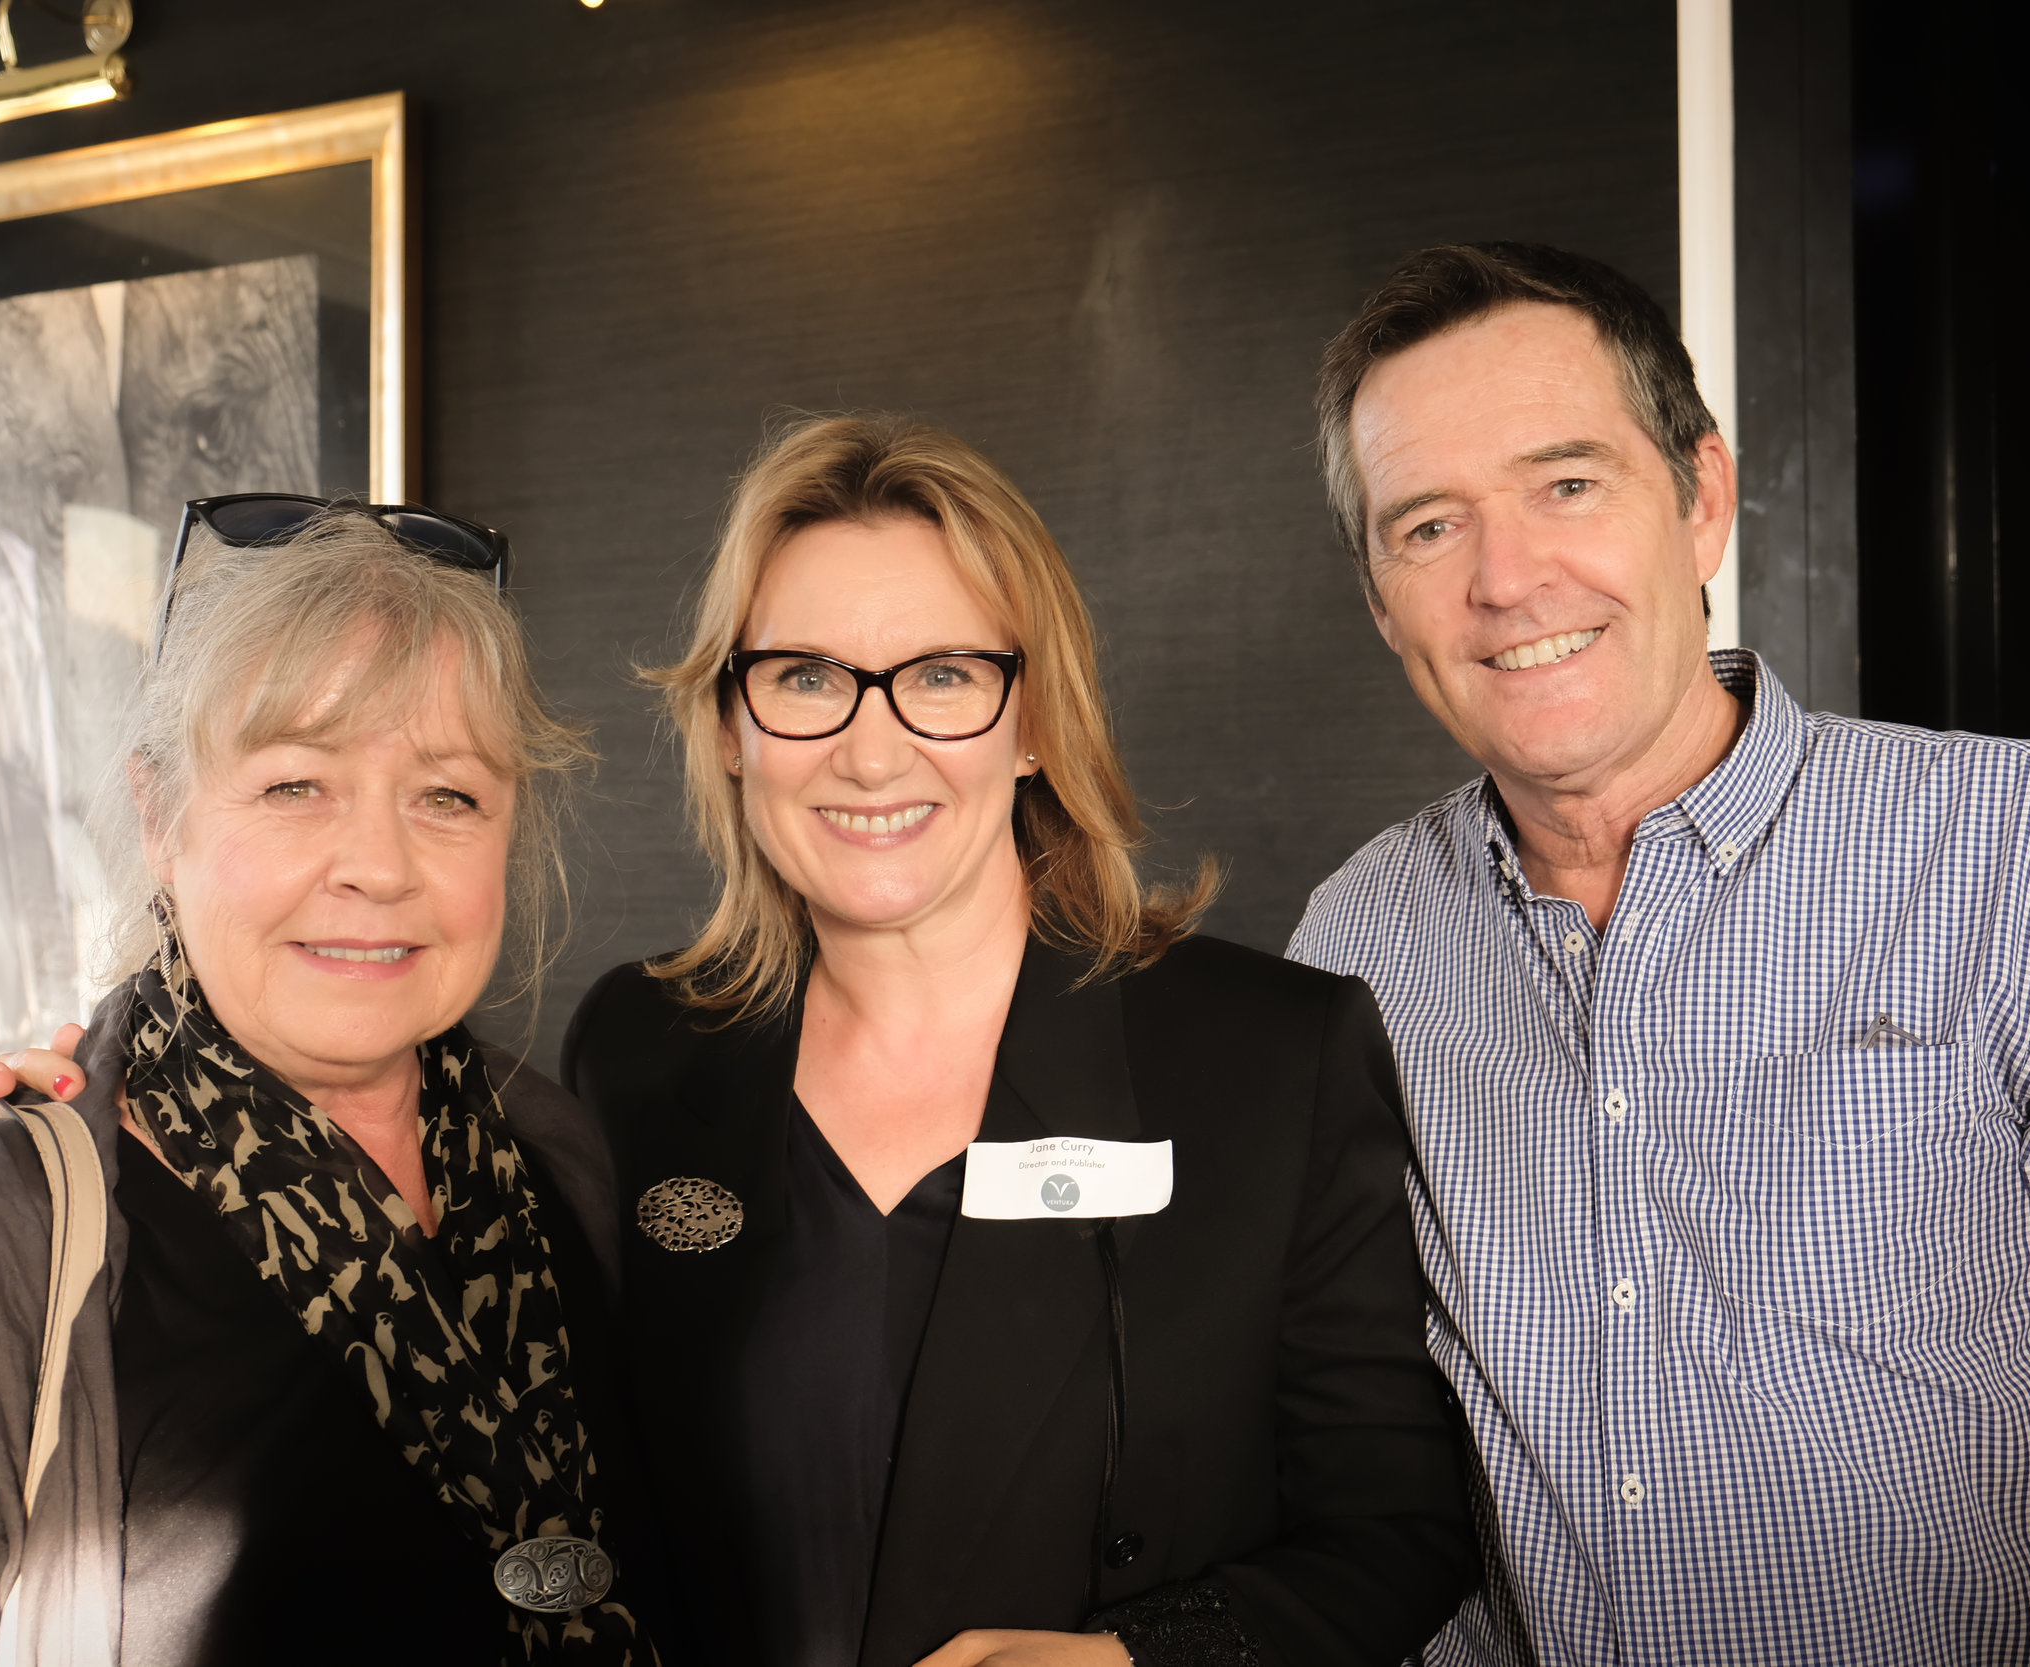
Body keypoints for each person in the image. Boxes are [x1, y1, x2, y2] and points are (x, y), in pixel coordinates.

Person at [1289, 241, 2030, 1664]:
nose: (1507, 578)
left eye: (1568, 484)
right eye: (1428, 527)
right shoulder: (1357, 946)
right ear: (1382, 602)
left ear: (1702, 500)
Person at [561, 413, 1479, 1667]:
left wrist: (1135, 1660)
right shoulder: (639, 1049)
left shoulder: (1270, 1055)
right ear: (731, 724)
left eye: (941, 675)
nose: (868, 746)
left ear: (1033, 716)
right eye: (806, 676)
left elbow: (1395, 1529)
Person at [0, 506, 658, 1665]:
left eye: (449, 795)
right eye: (297, 784)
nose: (379, 865)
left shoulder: (555, 1149)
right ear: (158, 815)